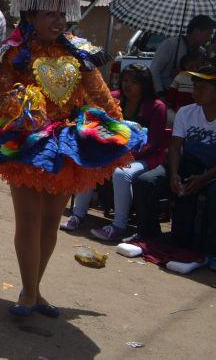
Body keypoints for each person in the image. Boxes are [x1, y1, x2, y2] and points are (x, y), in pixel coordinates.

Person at [0, 0, 146, 316]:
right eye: (49, 14)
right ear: (31, 15)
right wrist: (23, 101)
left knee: (49, 222)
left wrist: (118, 130)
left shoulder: (80, 52)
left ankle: (35, 290)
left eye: (62, 14)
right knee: (28, 220)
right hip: (27, 144)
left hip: (68, 146)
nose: (58, 21)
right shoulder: (13, 53)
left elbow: (101, 96)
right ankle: (28, 293)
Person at [62, 64, 168, 241]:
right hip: (114, 152)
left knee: (121, 174)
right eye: (125, 80)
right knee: (90, 162)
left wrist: (123, 156)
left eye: (134, 82)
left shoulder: (157, 107)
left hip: (144, 157)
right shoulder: (114, 99)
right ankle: (78, 215)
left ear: (144, 84)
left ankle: (118, 226)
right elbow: (98, 125)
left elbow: (153, 143)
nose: (127, 85)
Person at [130, 65, 216, 251]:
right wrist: (173, 175)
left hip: (211, 172)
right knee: (145, 182)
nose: (195, 92)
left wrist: (203, 179)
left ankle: (210, 249)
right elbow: (175, 146)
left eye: (202, 88)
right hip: (186, 164)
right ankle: (149, 234)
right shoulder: (186, 112)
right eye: (195, 87)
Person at [151, 14, 214, 97]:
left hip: (187, 97)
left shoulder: (202, 52)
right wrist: (160, 94)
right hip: (166, 94)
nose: (209, 38)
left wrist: (209, 56)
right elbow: (154, 70)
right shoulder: (171, 44)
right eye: (208, 34)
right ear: (197, 31)